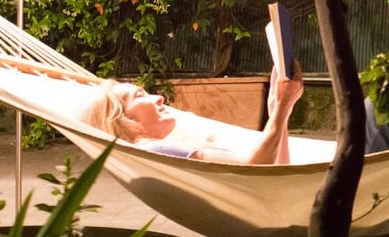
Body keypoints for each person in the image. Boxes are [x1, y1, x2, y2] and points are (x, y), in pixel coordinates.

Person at [82, 61, 305, 165]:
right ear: (123, 121)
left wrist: (279, 112)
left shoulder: (158, 154)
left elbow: (278, 173)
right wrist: (281, 108)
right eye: (140, 96)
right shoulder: (156, 150)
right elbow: (256, 174)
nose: (159, 98)